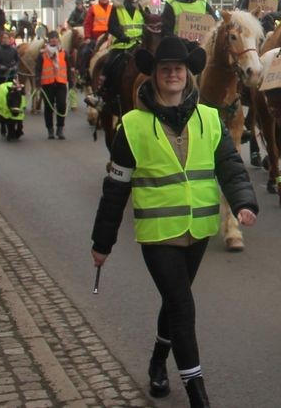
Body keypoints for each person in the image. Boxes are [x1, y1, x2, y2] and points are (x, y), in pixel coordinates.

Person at [91, 36, 258, 408]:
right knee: (183, 306)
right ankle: (198, 395)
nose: (172, 74)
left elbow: (230, 166)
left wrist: (244, 201)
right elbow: (115, 188)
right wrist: (102, 243)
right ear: (154, 75)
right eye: (165, 69)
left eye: (178, 69)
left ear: (188, 74)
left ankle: (156, 361)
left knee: (173, 301)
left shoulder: (210, 118)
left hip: (199, 229)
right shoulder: (131, 126)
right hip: (158, 235)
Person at [96, 0, 148, 109]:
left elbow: (149, 22)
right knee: (109, 64)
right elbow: (111, 26)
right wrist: (121, 35)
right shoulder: (117, 7)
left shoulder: (143, 6)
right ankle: (100, 94)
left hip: (140, 44)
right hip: (122, 45)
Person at [39, 30, 69, 140]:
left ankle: (60, 129)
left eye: (55, 38)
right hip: (47, 84)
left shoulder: (64, 52)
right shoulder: (43, 53)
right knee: (48, 107)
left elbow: (68, 67)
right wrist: (38, 81)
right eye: (51, 38)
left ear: (58, 40)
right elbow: (38, 68)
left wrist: (72, 81)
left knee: (61, 105)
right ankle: (50, 130)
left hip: (61, 82)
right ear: (48, 40)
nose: (53, 40)